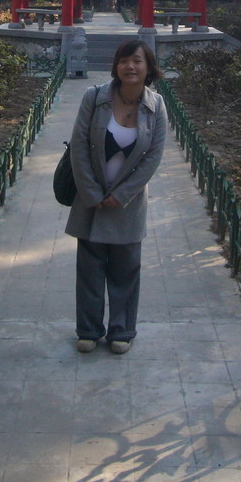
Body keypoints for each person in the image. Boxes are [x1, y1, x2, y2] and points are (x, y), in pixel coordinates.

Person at [66, 39, 167, 354]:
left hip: (128, 203)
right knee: (90, 268)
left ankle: (122, 331)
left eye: (137, 61)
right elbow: (78, 146)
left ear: (149, 67)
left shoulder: (157, 106)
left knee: (126, 269)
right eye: (124, 60)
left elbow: (152, 159)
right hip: (91, 198)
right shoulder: (94, 98)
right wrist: (92, 191)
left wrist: (120, 195)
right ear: (116, 66)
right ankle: (88, 330)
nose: (130, 67)